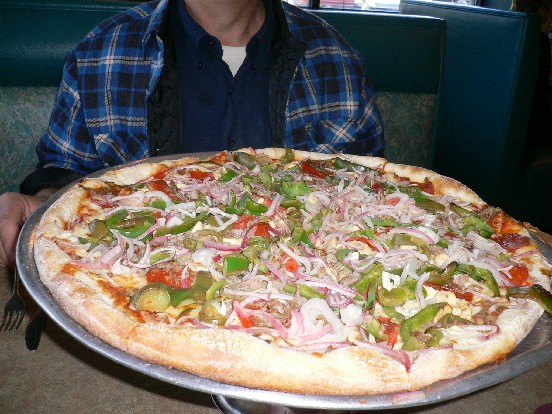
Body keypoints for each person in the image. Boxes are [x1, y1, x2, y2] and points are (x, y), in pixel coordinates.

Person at [0, 0, 384, 269]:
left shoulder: (338, 63)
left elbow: (370, 195)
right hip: (135, 295)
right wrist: (41, 207)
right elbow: (64, 174)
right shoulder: (101, 54)